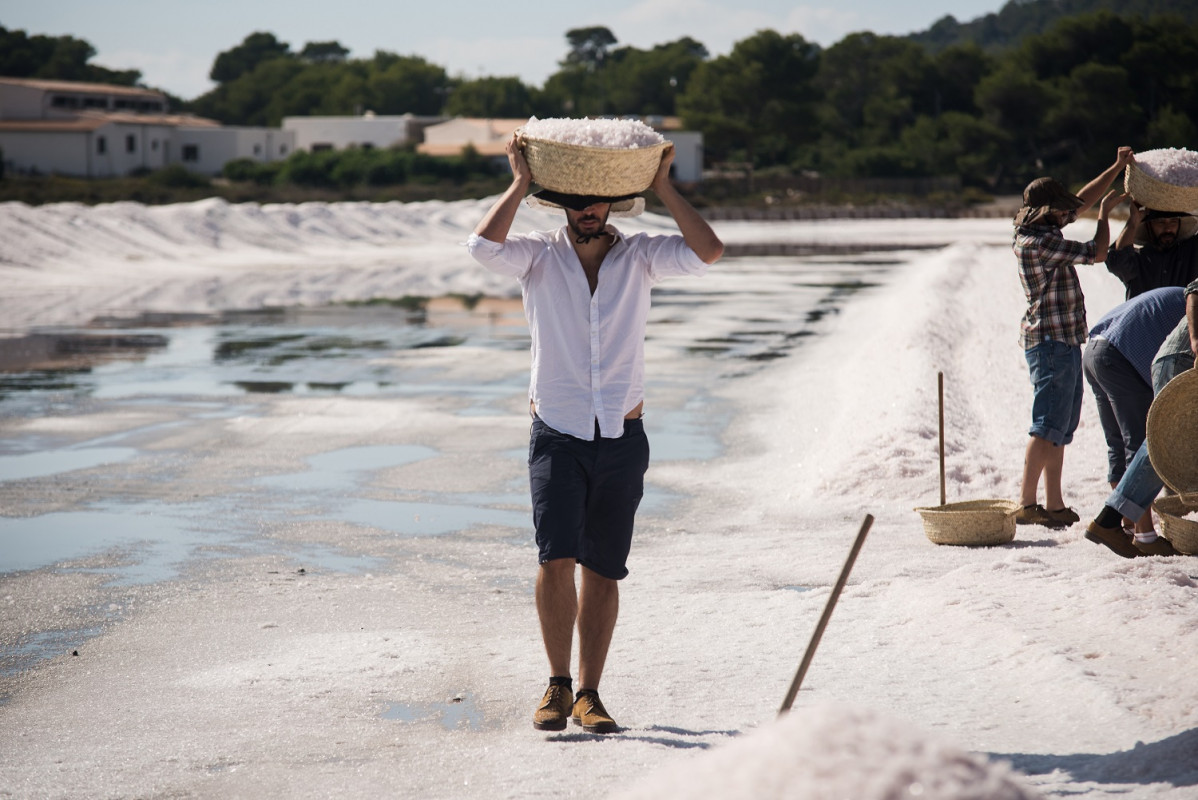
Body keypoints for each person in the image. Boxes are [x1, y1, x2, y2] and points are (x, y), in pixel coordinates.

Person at [467, 134, 723, 733]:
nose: (588, 208)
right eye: (578, 199)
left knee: (603, 568)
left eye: (599, 200)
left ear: (612, 204)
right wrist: (520, 181)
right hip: (556, 432)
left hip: (622, 436)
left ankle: (590, 694)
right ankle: (556, 685)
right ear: (561, 202)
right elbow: (482, 246)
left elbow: (709, 250)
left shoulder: (642, 256)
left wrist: (662, 187)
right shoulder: (535, 255)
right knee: (556, 558)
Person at [1012, 146, 1133, 529]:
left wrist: (1116, 167)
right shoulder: (1040, 243)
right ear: (1047, 212)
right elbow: (1099, 252)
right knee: (1046, 424)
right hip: (1049, 342)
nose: (1069, 213)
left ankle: (1054, 503)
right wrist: (1104, 216)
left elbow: (1082, 197)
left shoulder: (1038, 228)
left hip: (1060, 339)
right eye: (1062, 209)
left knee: (1061, 428)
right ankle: (1027, 504)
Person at [1085, 277, 1198, 557]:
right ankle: (1131, 529)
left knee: (1130, 444)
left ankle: (1125, 527)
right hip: (1143, 356)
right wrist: (1196, 343)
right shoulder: (1183, 302)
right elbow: (1195, 292)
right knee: (1158, 441)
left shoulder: (1168, 299)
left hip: (1095, 351)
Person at [1106, 203, 1198, 299]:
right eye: (1161, 222)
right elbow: (1116, 262)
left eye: (1173, 222)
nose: (1168, 228)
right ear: (1149, 226)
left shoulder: (1191, 251)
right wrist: (1133, 221)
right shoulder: (1138, 260)